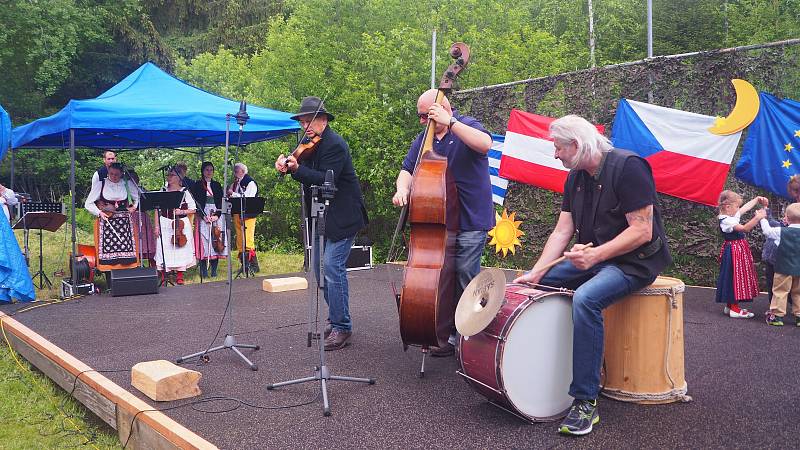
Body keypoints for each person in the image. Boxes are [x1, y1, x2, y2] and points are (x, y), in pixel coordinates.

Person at [512, 115, 672, 436]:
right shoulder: (575, 178)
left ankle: (585, 401)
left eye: (558, 147)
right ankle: (548, 371)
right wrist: (536, 272)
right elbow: (562, 231)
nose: (555, 154)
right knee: (539, 285)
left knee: (586, 299)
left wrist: (596, 255)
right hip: (595, 257)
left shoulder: (629, 168)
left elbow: (642, 231)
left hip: (635, 262)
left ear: (576, 144)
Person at [391, 88, 493, 357]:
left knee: (465, 272)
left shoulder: (467, 125)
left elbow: (485, 144)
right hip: (442, 221)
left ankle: (473, 334)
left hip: (471, 218)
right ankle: (449, 333)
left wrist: (452, 123)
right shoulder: (424, 139)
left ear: (442, 110)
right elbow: (406, 169)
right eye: (420, 117)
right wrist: (402, 189)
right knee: (442, 277)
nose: (423, 122)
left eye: (426, 116)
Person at [275, 96, 368, 351]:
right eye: (303, 122)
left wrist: (296, 170)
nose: (305, 126)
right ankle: (335, 316)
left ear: (323, 120)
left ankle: (342, 327)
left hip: (343, 216)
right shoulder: (308, 144)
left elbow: (326, 180)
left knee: (331, 267)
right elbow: (304, 175)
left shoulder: (335, 145)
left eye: (310, 121)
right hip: (321, 216)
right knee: (318, 269)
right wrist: (286, 166)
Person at [714, 190, 767, 318]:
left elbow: (744, 208)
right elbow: (744, 228)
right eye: (736, 206)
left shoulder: (729, 216)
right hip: (734, 251)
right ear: (727, 207)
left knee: (733, 276)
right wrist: (758, 217)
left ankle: (730, 306)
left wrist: (756, 199)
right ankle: (734, 309)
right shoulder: (727, 221)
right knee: (734, 277)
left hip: (736, 250)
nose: (738, 209)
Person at [84, 163, 140, 269]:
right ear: (108, 172)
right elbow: (88, 203)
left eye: (117, 174)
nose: (114, 176)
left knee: (126, 251)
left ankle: (126, 277)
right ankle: (110, 279)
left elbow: (138, 197)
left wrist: (134, 207)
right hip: (107, 223)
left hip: (125, 224)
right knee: (108, 255)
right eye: (111, 174)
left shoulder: (127, 184)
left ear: (121, 174)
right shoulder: (101, 184)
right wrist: (99, 212)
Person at [761, 175, 800, 306]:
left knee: (781, 287)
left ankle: (777, 312)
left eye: (796, 193)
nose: (795, 197)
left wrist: (762, 217)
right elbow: (779, 228)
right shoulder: (794, 207)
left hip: (786, 258)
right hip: (782, 256)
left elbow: (770, 230)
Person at [154, 168, 196, 285]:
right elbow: (157, 210)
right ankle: (164, 275)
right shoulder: (163, 190)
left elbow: (193, 209)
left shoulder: (184, 191)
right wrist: (157, 226)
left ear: (179, 178)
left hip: (180, 223)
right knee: (164, 248)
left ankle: (180, 275)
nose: (169, 177)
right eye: (168, 175)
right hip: (165, 222)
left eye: (172, 175)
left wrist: (181, 212)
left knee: (180, 247)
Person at [761, 202, 800, 327]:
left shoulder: (781, 231)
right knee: (798, 292)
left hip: (783, 268)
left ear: (786, 218)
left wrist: (762, 218)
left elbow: (767, 231)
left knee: (780, 291)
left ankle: (777, 316)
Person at [190, 161, 228, 278]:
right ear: (202, 171)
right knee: (204, 242)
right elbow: (195, 204)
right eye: (207, 170)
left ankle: (214, 270)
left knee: (216, 240)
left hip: (216, 214)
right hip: (203, 215)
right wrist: (203, 216)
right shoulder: (197, 185)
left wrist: (217, 215)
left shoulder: (217, 185)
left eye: (211, 170)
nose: (209, 172)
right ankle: (203, 271)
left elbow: (222, 202)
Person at [227, 162, 259, 273]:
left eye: (237, 171)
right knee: (240, 240)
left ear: (243, 171)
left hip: (248, 215)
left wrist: (233, 194)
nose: (235, 173)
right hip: (237, 213)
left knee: (248, 240)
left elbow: (248, 198)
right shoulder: (236, 183)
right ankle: (244, 265)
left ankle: (253, 265)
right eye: (234, 171)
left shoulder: (250, 183)